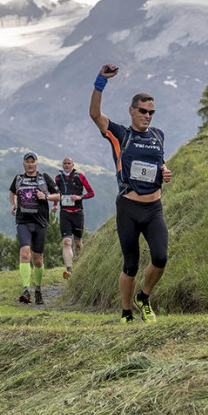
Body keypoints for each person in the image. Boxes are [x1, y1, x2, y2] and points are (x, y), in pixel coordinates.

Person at [88, 64, 173, 323]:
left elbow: (157, 163)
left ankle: (143, 298)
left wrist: (165, 171)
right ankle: (126, 312)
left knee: (161, 257)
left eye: (152, 112)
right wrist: (100, 81)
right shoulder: (120, 134)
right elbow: (94, 114)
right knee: (131, 264)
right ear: (132, 111)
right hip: (128, 207)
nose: (148, 116)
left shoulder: (158, 136)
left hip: (154, 207)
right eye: (143, 111)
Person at [9, 152, 60, 304]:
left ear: (37, 163)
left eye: (32, 161)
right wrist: (14, 204)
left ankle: (37, 288)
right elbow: (12, 192)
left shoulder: (44, 178)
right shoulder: (18, 178)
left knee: (38, 260)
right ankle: (26, 289)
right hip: (23, 221)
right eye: (27, 162)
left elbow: (58, 195)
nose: (30, 164)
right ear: (24, 163)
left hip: (40, 222)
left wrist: (46, 197)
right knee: (25, 254)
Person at [53, 157, 95, 279]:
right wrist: (55, 206)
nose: (66, 165)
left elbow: (91, 193)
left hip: (78, 213)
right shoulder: (58, 178)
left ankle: (80, 266)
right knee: (66, 242)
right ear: (62, 165)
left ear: (72, 164)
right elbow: (56, 194)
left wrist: (79, 197)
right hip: (64, 213)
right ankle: (69, 270)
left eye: (68, 163)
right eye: (64, 163)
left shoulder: (80, 177)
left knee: (77, 243)